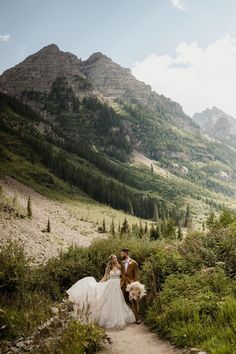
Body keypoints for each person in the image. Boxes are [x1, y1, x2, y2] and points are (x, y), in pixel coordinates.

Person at [66, 254, 135, 329]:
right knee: (109, 302)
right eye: (113, 258)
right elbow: (105, 277)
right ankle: (109, 319)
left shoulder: (119, 266)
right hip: (110, 286)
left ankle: (119, 319)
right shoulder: (108, 268)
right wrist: (98, 283)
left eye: (115, 258)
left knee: (117, 302)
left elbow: (123, 276)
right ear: (111, 260)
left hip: (117, 286)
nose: (115, 259)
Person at [120, 248, 141, 324]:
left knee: (134, 301)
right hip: (122, 284)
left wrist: (136, 285)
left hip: (131, 284)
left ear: (126, 253)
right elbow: (121, 274)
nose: (121, 255)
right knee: (123, 300)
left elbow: (136, 275)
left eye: (122, 254)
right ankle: (126, 318)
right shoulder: (121, 263)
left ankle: (137, 318)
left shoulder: (134, 263)